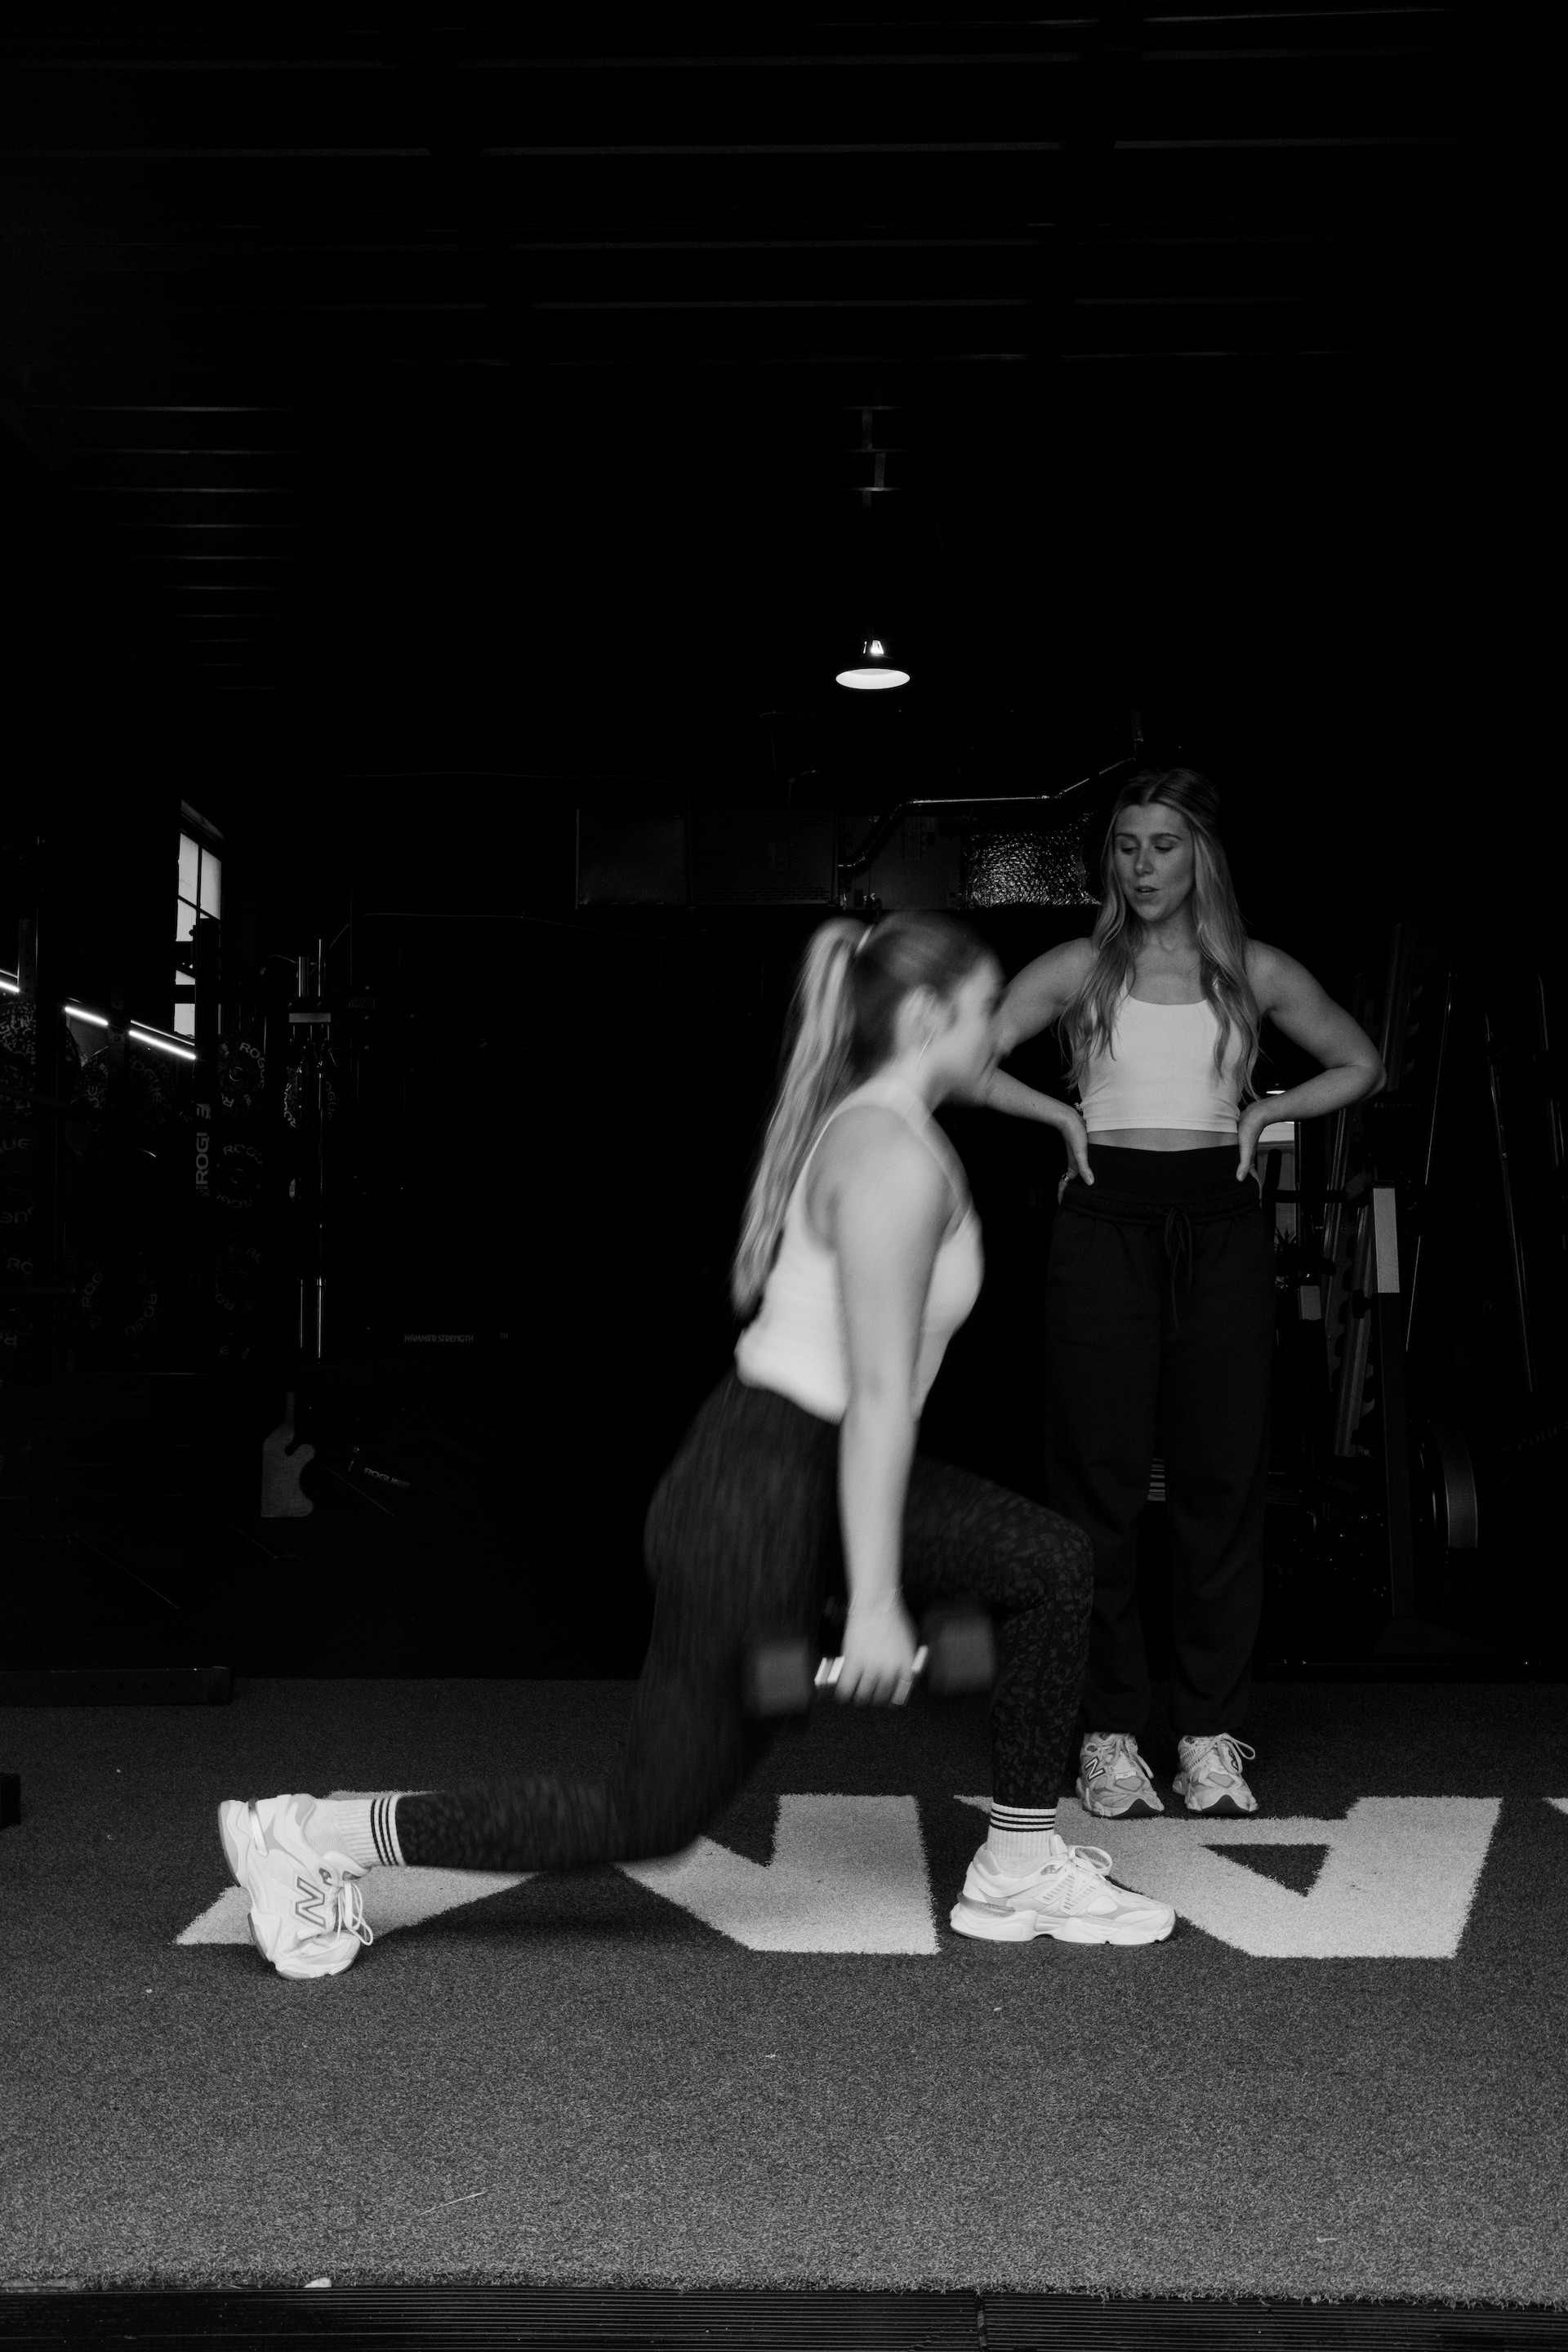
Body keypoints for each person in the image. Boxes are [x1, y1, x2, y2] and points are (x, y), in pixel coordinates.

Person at [220, 911, 1175, 1980]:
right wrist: (870, 1603)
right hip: (760, 1489)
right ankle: (309, 1836)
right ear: (922, 1018)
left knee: (1046, 1567)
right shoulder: (892, 1158)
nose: (1001, 1027)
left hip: (797, 1474)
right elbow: (873, 1395)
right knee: (653, 1811)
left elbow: (886, 1380)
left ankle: (1015, 1859)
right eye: (983, 1008)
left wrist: (1056, 1112)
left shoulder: (886, 1120)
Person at [984, 768, 1384, 1820]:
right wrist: (1062, 1119)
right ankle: (1109, 1734)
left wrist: (1263, 1116)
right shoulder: (1079, 966)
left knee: (1218, 1485)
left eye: (1163, 845)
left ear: (1201, 853)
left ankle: (1209, 1733)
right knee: (1098, 1490)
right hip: (1103, 1229)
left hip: (1220, 1230)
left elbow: (1361, 1063)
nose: (1142, 865)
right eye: (1126, 846)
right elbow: (953, 1060)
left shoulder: (1253, 969)